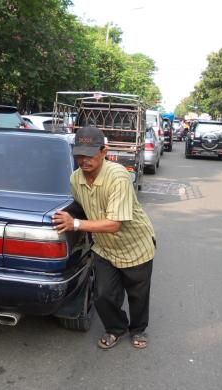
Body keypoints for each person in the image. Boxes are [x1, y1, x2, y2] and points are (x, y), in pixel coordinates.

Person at [52, 126, 157, 350]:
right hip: (105, 248)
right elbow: (81, 206)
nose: (83, 160)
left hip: (135, 245)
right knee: (103, 295)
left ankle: (138, 329)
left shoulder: (118, 176)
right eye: (79, 154)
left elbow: (114, 224)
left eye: (89, 154)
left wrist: (75, 224)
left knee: (137, 296)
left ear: (103, 151)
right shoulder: (75, 179)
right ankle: (116, 328)